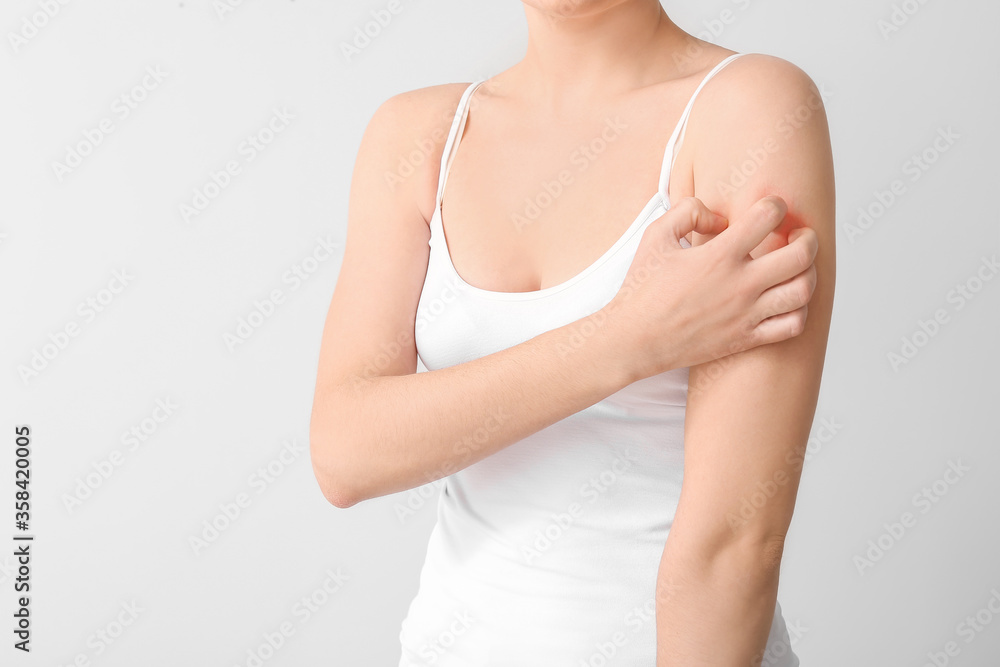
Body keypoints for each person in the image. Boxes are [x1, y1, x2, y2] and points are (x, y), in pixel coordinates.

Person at [310, 1, 835, 664]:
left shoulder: (747, 107)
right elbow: (344, 453)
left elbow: (735, 543)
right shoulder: (418, 137)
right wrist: (627, 337)